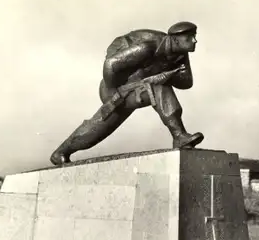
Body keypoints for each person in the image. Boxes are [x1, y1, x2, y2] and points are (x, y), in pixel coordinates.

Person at [49, 21, 204, 165]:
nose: (195, 41)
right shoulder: (147, 47)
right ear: (175, 39)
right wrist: (113, 95)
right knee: (96, 130)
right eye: (190, 38)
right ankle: (179, 136)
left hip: (140, 89)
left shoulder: (180, 55)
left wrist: (175, 75)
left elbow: (187, 83)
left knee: (97, 130)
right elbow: (110, 65)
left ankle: (60, 153)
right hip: (115, 88)